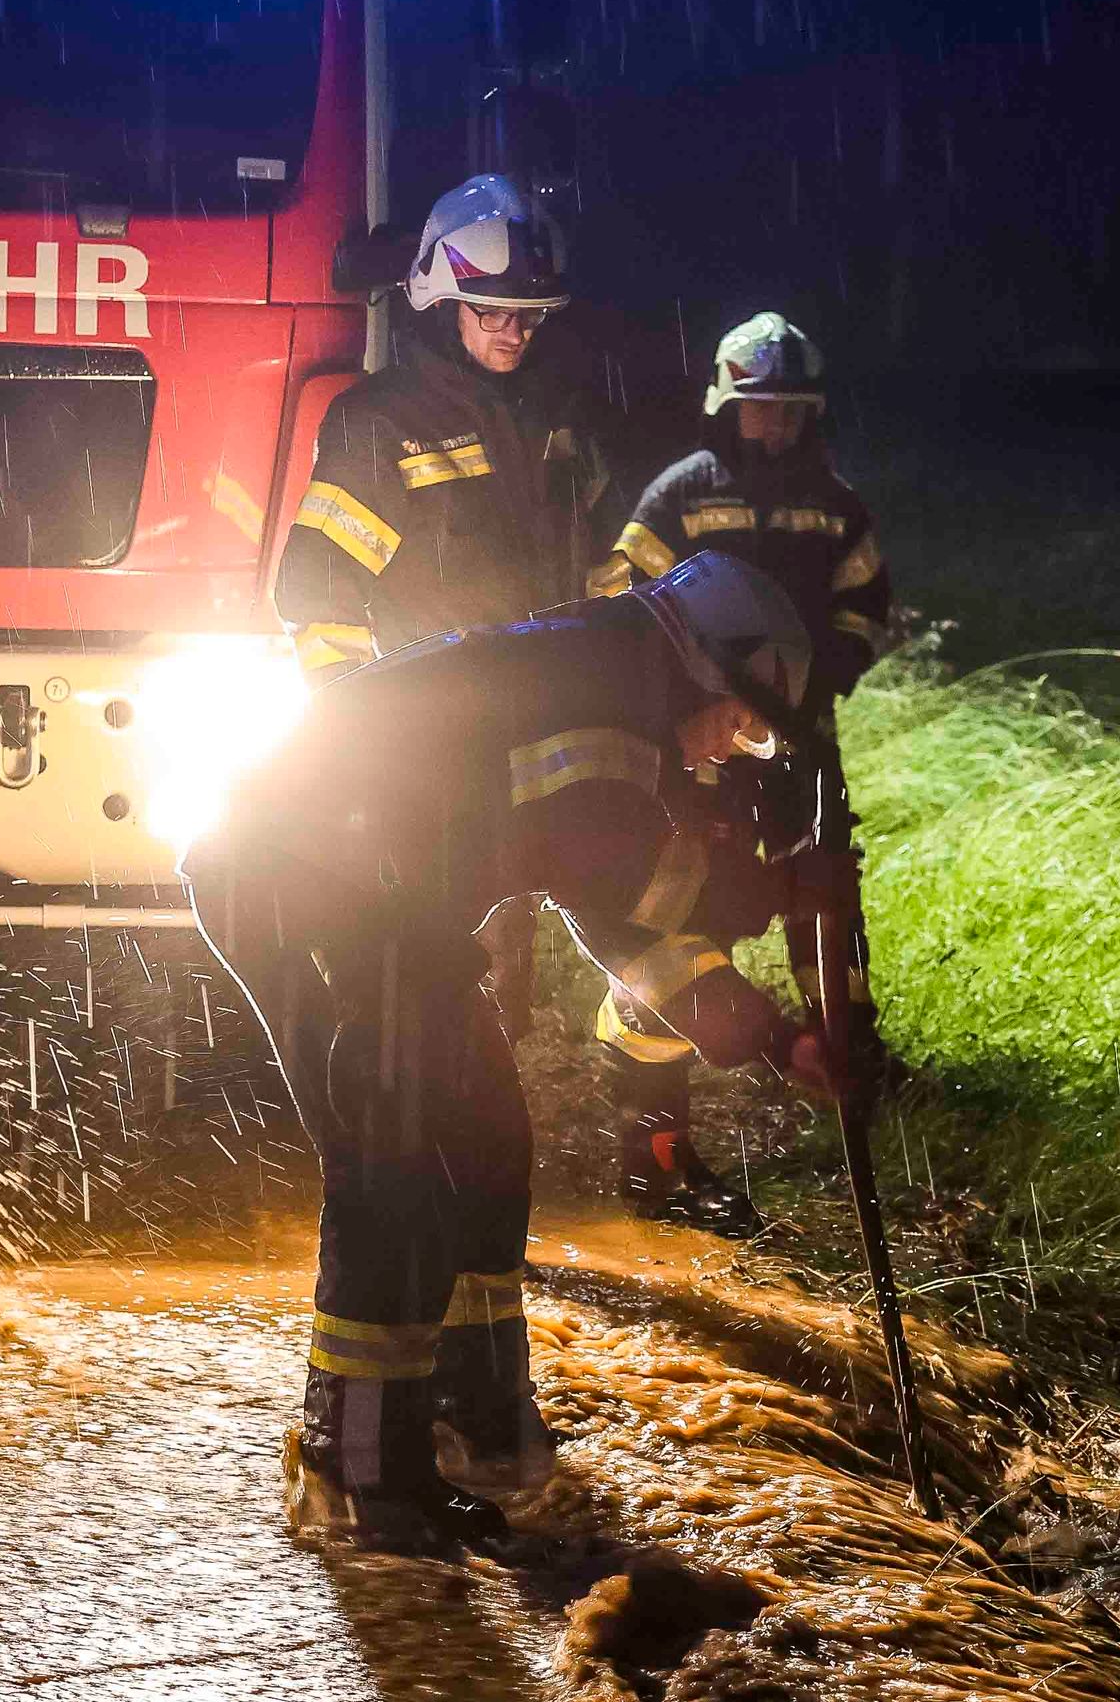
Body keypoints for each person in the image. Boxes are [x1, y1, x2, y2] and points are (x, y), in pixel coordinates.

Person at [186, 555, 841, 1554]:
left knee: (487, 1141)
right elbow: (624, 906)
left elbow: (612, 909)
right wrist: (774, 971)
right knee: (393, 1170)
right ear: (710, 665)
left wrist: (775, 1036)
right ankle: (361, 1473)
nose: (728, 751)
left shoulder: (611, 679)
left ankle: (473, 1418)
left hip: (381, 903)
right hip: (301, 889)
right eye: (736, 721)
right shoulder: (610, 719)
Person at [584, 313, 893, 1234]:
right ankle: (657, 1143)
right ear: (728, 404)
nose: (777, 425)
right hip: (698, 741)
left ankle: (848, 1044)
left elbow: (866, 610)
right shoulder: (680, 495)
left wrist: (811, 687)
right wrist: (695, 698)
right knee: (680, 913)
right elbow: (617, 602)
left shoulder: (835, 502)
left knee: (822, 880)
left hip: (801, 734)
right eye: (761, 408)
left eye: (792, 409)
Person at [271, 172, 607, 683]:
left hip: (553, 702)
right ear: (445, 307)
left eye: (528, 314)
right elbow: (320, 587)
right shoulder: (379, 423)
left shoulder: (556, 415)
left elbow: (606, 557)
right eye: (492, 313)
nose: (515, 334)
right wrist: (353, 717)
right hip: (439, 722)